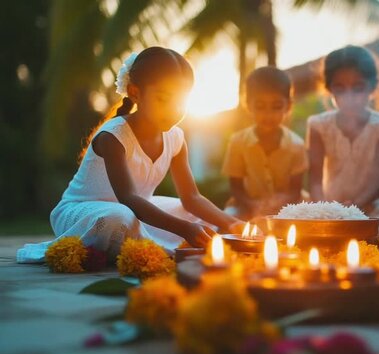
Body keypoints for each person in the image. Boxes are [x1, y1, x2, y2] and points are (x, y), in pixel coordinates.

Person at [17, 47, 243, 263]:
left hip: (137, 208)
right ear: (135, 93)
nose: (174, 110)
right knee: (120, 218)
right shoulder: (113, 136)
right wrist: (184, 228)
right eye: (164, 98)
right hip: (85, 212)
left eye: (181, 100)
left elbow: (191, 198)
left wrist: (234, 224)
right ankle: (147, 250)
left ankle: (144, 245)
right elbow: (128, 199)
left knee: (197, 215)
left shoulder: (175, 138)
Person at [306, 45, 379, 236]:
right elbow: (315, 180)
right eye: (340, 89)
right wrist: (326, 209)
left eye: (358, 88)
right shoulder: (318, 126)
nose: (349, 97)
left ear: (372, 87)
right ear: (328, 89)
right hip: (328, 206)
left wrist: (354, 207)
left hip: (371, 205)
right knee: (311, 230)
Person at [222, 66, 308, 220]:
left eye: (276, 107)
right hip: (246, 205)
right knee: (227, 220)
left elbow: (295, 191)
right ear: (248, 105)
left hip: (289, 206)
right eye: (260, 106)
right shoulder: (238, 142)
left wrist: (281, 201)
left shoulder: (297, 145)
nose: (268, 114)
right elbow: (236, 187)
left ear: (288, 106)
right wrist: (252, 205)